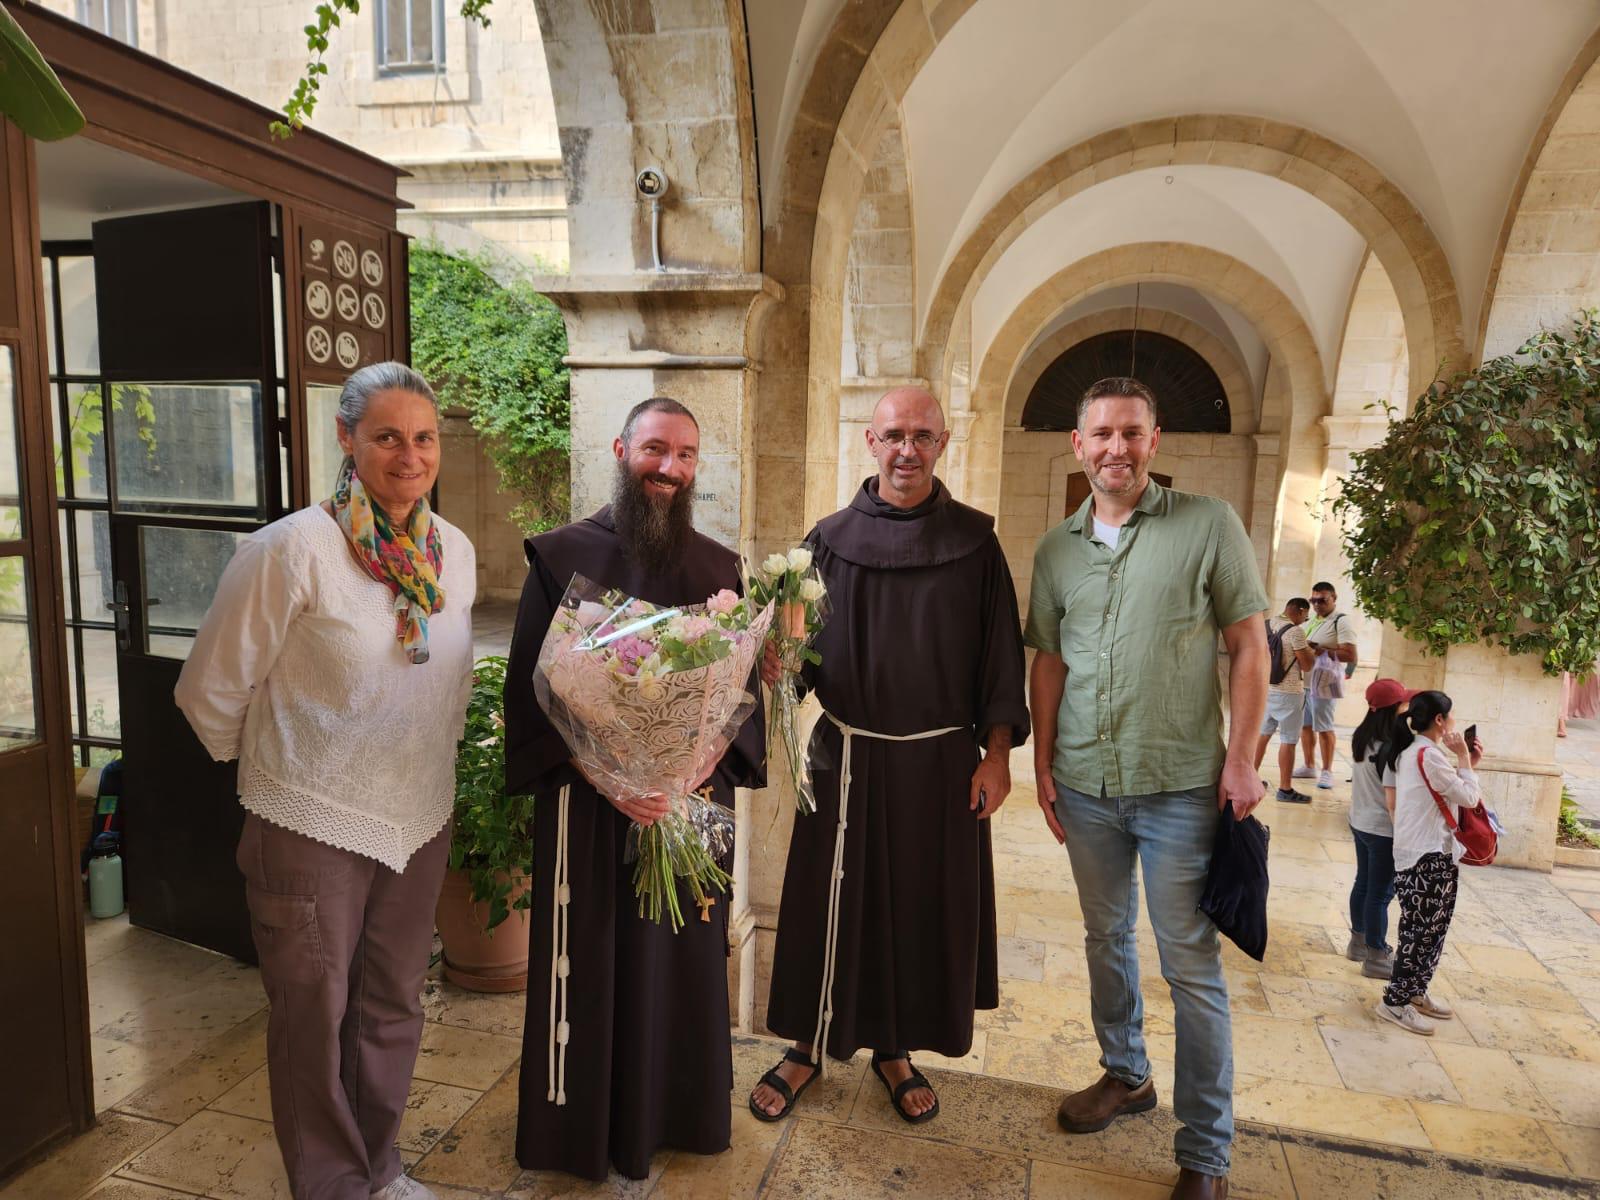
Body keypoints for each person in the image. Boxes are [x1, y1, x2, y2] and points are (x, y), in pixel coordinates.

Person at [175, 362, 475, 1200]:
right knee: (313, 1018)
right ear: (345, 439)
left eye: (422, 438)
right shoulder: (290, 549)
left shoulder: (453, 551)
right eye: (386, 436)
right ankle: (333, 1186)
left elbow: (449, 684)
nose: (408, 456)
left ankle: (377, 1169)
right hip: (309, 823)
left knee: (392, 1008)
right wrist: (296, 764)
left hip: (416, 817)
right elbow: (210, 691)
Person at [503, 397, 765, 1182]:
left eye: (685, 456)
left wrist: (693, 770)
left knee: (681, 956)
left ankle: (677, 1115)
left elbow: (735, 693)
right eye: (655, 450)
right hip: (587, 808)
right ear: (621, 450)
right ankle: (579, 1135)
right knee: (593, 958)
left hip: (687, 803)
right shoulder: (560, 558)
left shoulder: (722, 570)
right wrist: (608, 777)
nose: (669, 469)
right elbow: (532, 689)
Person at [753, 386, 1029, 1126]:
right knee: (827, 903)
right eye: (894, 435)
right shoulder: (828, 539)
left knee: (916, 906)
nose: (908, 450)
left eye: (923, 436)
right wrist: (777, 663)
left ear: (945, 444)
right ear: (870, 442)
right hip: (844, 754)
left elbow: (1002, 659)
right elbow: (797, 654)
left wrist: (996, 756)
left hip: (940, 765)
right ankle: (806, 1045)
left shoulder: (975, 544)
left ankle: (896, 1049)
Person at [1026, 377, 1268, 1200]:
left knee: (1188, 965)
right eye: (1101, 434)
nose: (1116, 449)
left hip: (1179, 787)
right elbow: (1049, 661)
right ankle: (1125, 1074)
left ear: (1155, 441)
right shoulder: (1057, 548)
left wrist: (1242, 758)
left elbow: (1248, 647)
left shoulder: (1208, 524)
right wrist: (1042, 760)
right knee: (1105, 937)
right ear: (1078, 444)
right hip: (1086, 785)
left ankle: (1205, 1151)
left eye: (1132, 433)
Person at [1374, 690, 1481, 1035]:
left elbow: (1449, 793)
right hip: (1426, 856)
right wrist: (1463, 755)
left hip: (1431, 853)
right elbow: (1469, 796)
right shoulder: (1427, 755)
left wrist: (1465, 765)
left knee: (1433, 929)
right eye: (1449, 716)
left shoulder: (1417, 753)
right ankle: (1394, 1002)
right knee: (1419, 933)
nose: (1452, 722)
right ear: (1439, 720)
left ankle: (1416, 992)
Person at [1345, 678, 1416, 980]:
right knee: (1379, 894)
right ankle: (1376, 955)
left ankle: (1358, 943)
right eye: (1403, 703)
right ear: (1394, 709)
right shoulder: (1392, 749)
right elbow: (1396, 799)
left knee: (1363, 884)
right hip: (1381, 829)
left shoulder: (1362, 737)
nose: (1407, 707)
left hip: (1360, 821)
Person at [1294, 583, 1357, 789]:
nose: (1317, 604)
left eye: (1323, 600)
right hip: (1304, 681)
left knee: (1324, 727)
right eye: (1314, 600)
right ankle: (1309, 765)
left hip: (1324, 682)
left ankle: (1327, 771)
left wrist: (1322, 649)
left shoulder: (1341, 621)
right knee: (1305, 725)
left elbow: (1350, 655)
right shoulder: (1313, 619)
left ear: (1334, 598)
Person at [1254, 598, 1315, 804]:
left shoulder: (1266, 624)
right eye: (1305, 616)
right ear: (1299, 611)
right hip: (1289, 693)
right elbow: (1307, 665)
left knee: (1263, 734)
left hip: (1266, 689)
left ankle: (1251, 777)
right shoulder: (1296, 632)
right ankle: (1285, 789)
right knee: (1288, 740)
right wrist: (1309, 650)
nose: (1305, 620)